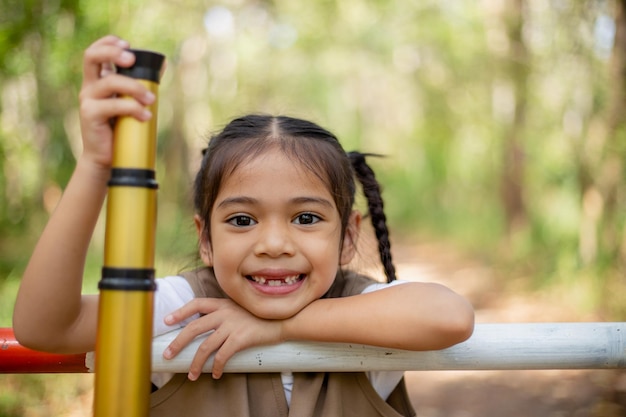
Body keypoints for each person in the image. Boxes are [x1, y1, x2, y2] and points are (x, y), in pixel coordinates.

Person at [12, 35, 474, 417]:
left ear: (348, 236)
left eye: (306, 218)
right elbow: (46, 325)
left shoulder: (359, 307)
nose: (273, 243)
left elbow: (449, 316)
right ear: (205, 240)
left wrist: (280, 329)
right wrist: (96, 165)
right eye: (241, 220)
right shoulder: (186, 309)